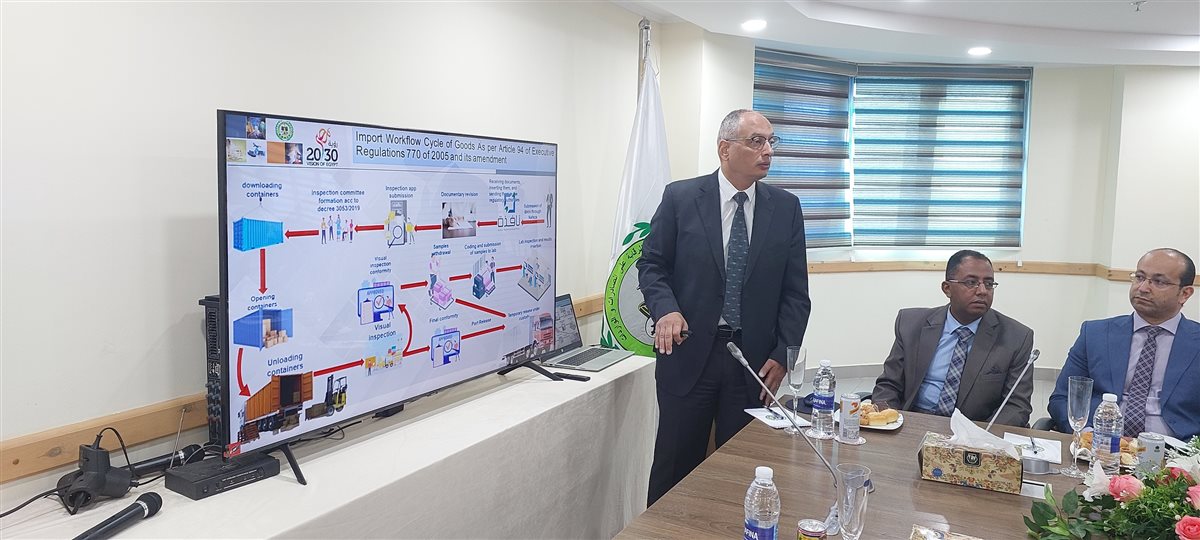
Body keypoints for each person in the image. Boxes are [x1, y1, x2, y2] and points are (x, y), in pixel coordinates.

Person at [637, 109, 810, 506]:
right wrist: (666, 309)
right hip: (688, 354)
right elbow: (652, 265)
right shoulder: (681, 198)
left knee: (743, 472)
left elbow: (796, 292)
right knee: (674, 467)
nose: (768, 151)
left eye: (771, 141)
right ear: (724, 148)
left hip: (752, 363)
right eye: (756, 141)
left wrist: (783, 354)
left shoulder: (786, 208)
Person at [871, 250, 1036, 427]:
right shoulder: (911, 324)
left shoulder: (1016, 337)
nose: (982, 291)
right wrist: (889, 422)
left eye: (989, 284)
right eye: (971, 282)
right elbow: (889, 385)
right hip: (914, 422)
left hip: (974, 429)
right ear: (947, 288)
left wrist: (979, 436)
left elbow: (1017, 406)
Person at [1049, 248, 1198, 439]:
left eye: (1159, 282)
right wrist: (1087, 435)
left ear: (1185, 293)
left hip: (1176, 451)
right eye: (1139, 277)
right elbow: (1062, 398)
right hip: (1099, 445)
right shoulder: (1095, 334)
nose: (1143, 288)